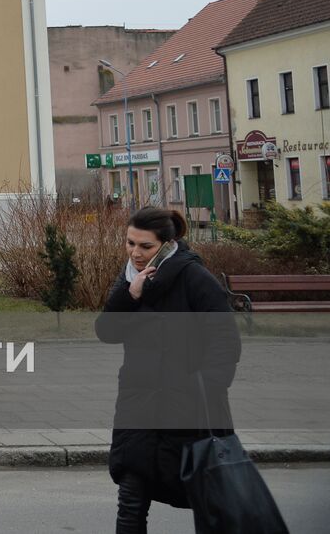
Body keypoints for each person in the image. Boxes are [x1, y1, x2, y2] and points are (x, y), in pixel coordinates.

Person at [95, 206, 241, 534]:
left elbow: (225, 341)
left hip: (189, 409)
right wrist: (129, 296)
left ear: (166, 244)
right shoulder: (130, 278)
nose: (135, 253)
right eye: (130, 243)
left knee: (208, 500)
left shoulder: (194, 277)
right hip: (139, 406)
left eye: (145, 246)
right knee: (131, 499)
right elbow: (107, 331)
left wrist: (204, 386)